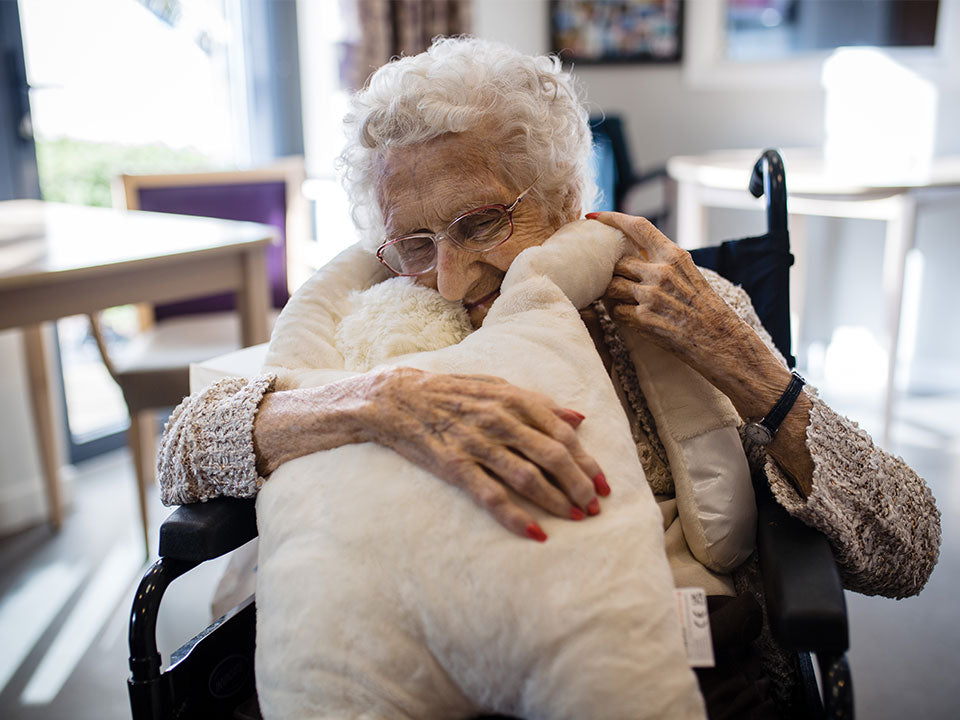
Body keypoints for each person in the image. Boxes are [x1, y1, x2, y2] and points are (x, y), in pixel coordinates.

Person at [158, 37, 940, 718]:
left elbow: (905, 547)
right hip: (411, 662)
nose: (455, 279)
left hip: (664, 663)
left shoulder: (672, 310)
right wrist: (376, 401)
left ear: (567, 200)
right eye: (417, 241)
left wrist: (745, 364)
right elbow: (182, 450)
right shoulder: (367, 321)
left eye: (482, 223)